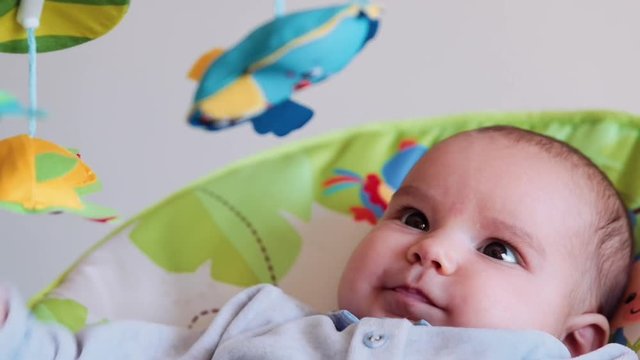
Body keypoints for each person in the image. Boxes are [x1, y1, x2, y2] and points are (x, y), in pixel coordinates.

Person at [0, 126, 636, 359]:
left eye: (498, 250)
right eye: (414, 218)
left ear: (576, 341)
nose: (431, 249)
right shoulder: (258, 324)